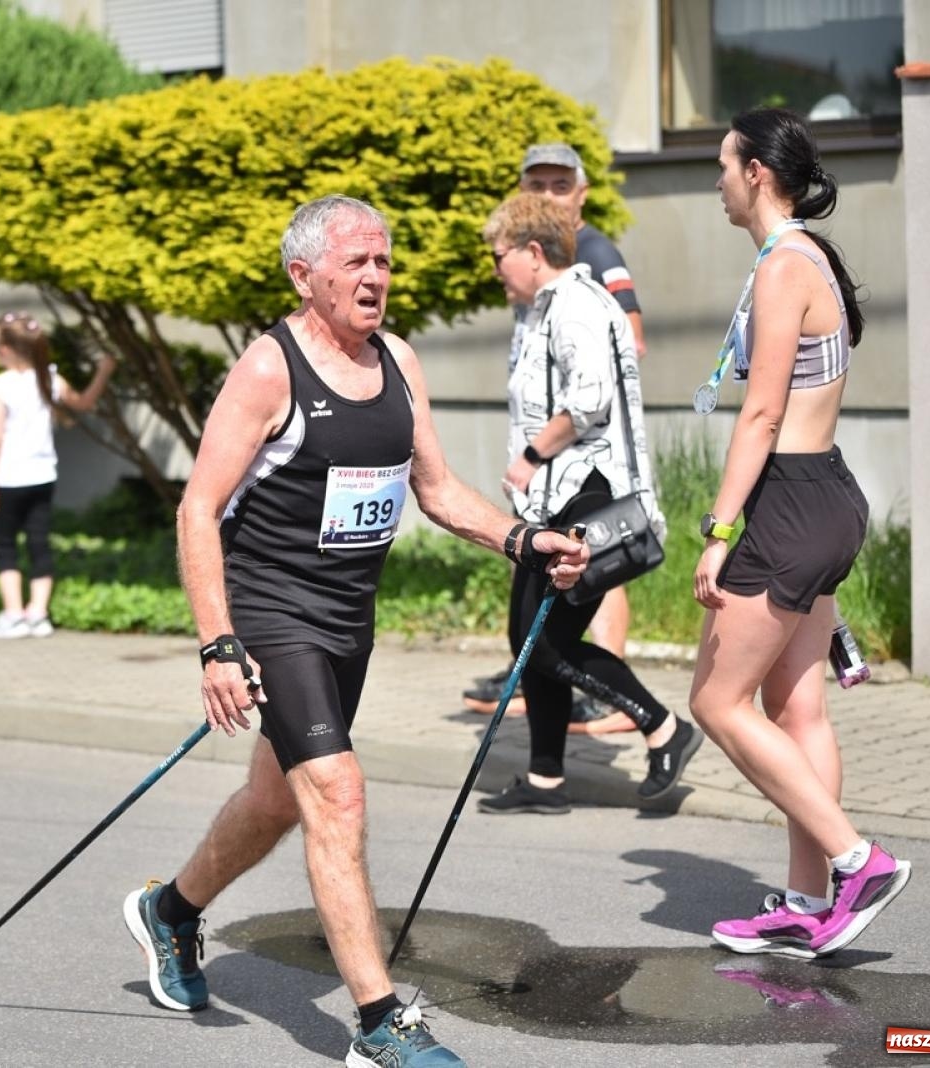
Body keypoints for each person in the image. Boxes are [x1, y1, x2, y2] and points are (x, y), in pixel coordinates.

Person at [122, 195, 587, 1067]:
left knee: (274, 801)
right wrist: (219, 645)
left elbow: (438, 490)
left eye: (383, 261)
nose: (375, 278)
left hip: (347, 624)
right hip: (273, 614)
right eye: (355, 264)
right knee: (336, 793)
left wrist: (526, 542)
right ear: (305, 277)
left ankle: (170, 913)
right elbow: (197, 509)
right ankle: (380, 1028)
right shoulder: (269, 369)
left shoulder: (399, 362)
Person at [692, 108, 908, 958]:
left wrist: (719, 527)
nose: (715, 179)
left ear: (755, 173)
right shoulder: (805, 257)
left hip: (787, 499)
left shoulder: (786, 266)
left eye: (721, 164)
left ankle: (857, 862)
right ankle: (805, 902)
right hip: (825, 494)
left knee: (715, 700)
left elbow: (763, 413)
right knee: (797, 705)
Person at [473, 193, 703, 817]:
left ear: (532, 251)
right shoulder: (537, 310)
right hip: (552, 498)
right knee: (527, 635)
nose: (494, 267)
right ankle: (545, 779)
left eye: (499, 255)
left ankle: (663, 728)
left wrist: (527, 459)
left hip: (588, 492)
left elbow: (590, 400)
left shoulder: (576, 304)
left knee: (545, 641)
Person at [462, 144, 645, 727]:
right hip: (550, 474)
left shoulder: (590, 255)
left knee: (593, 575)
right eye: (535, 184)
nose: (547, 195)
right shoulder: (534, 272)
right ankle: (550, 745)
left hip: (581, 465)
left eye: (559, 185)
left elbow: (624, 344)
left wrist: (546, 445)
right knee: (538, 609)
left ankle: (612, 694)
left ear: (582, 193)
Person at [0, 312, 116, 639]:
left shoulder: (0, 386)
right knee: (39, 542)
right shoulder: (51, 378)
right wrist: (103, 371)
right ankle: (38, 614)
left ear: (6, 350)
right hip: (42, 475)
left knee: (5, 544)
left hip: (9, 478)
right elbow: (83, 403)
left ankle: (13, 614)